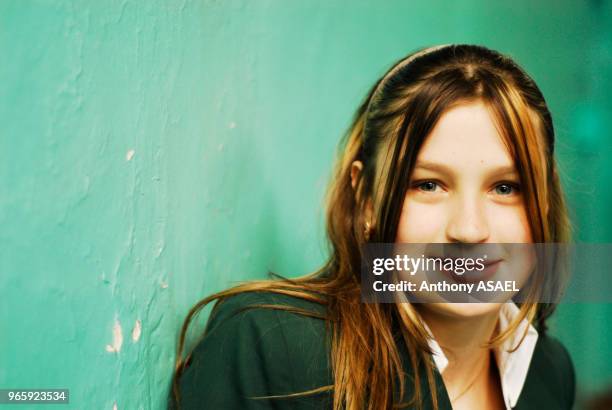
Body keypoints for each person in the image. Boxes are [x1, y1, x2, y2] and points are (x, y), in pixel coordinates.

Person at [169, 44, 575, 410]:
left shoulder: (550, 372)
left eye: (506, 187)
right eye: (428, 185)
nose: (469, 230)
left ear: (542, 204)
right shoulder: (269, 346)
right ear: (365, 199)